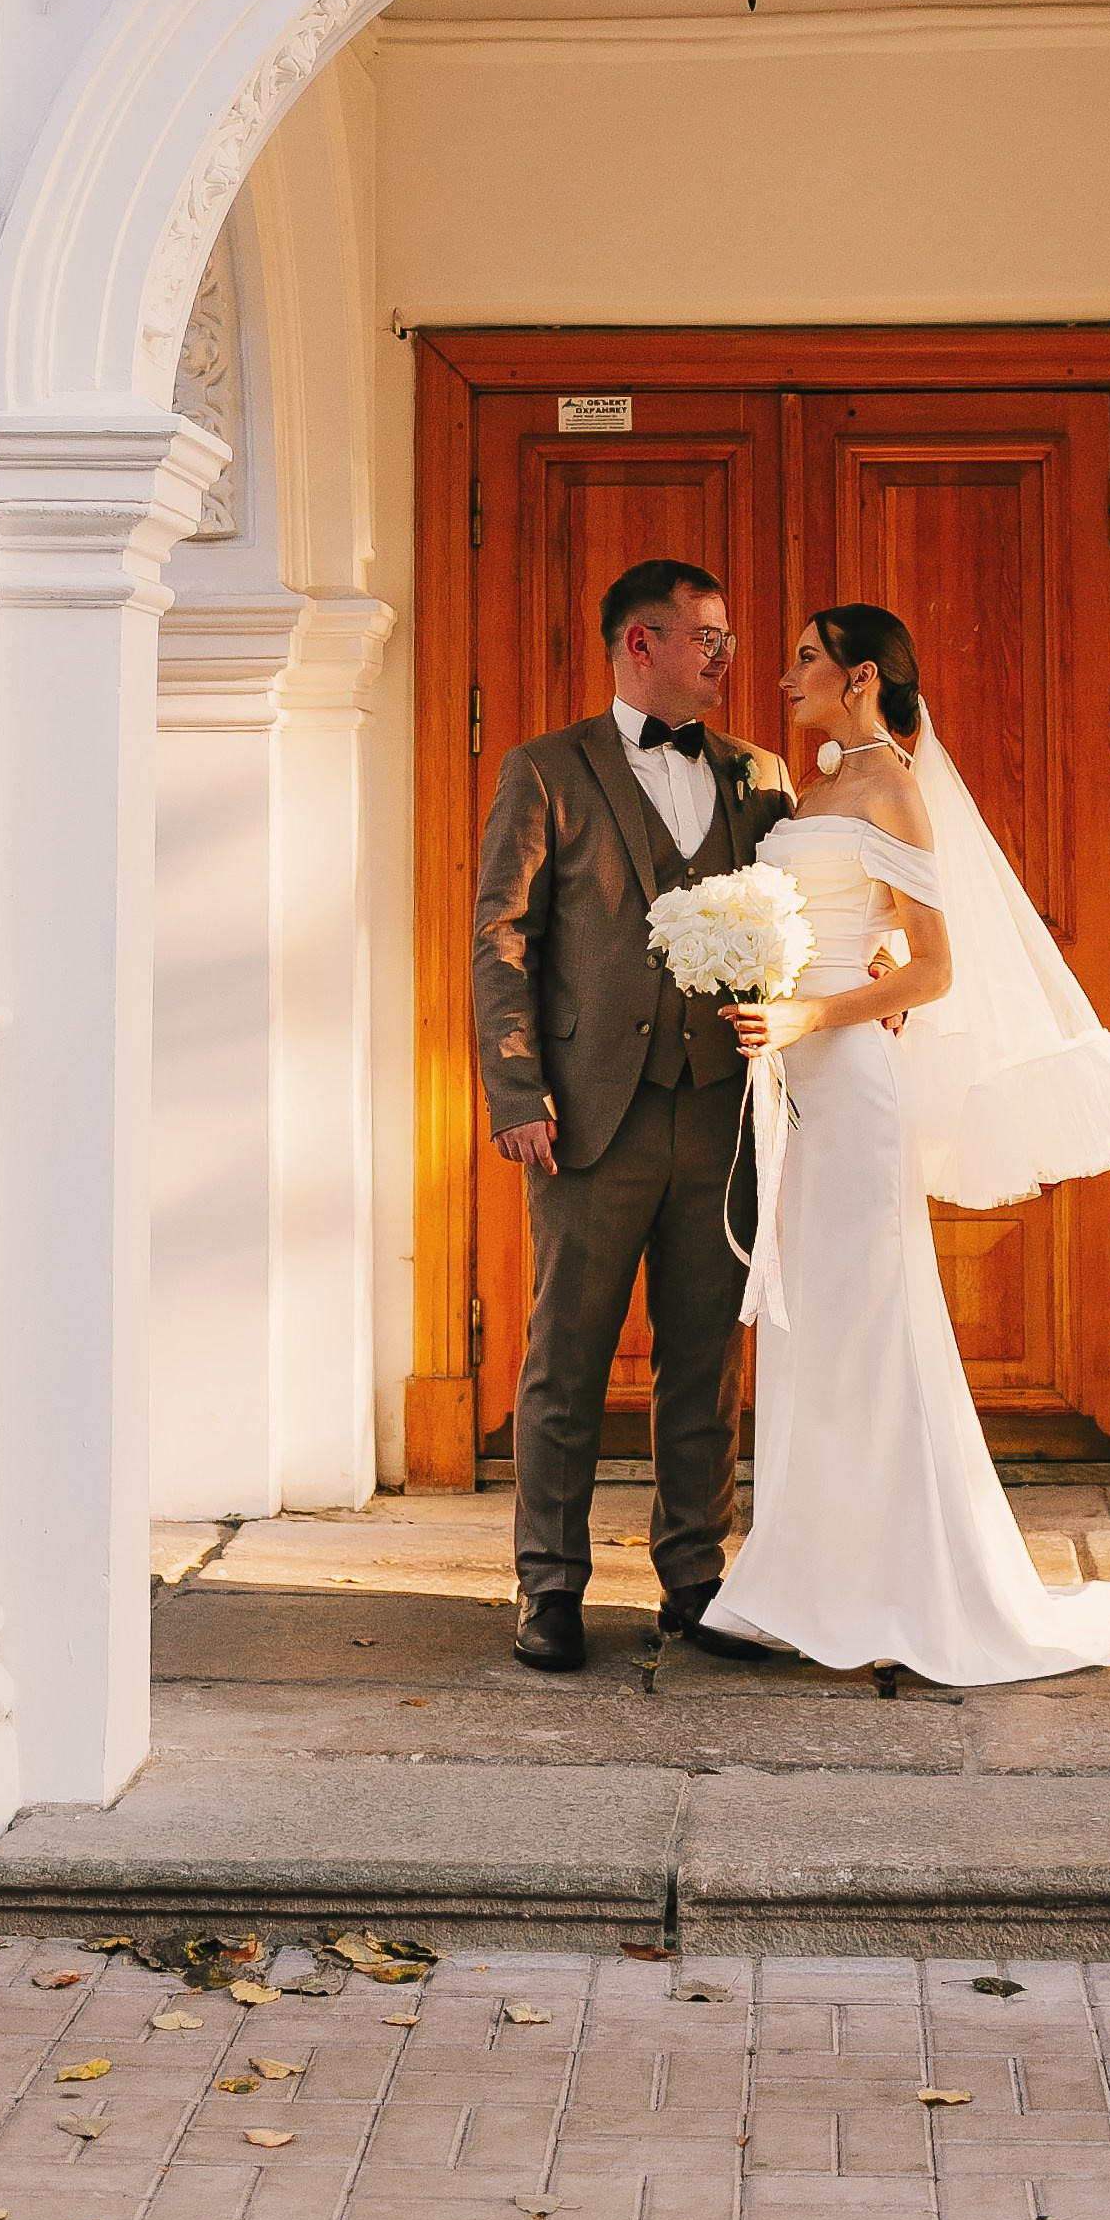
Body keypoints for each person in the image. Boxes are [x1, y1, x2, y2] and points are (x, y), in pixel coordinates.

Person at [703, 603, 1110, 1686]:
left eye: (804, 660)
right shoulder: (816, 784)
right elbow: (857, 922)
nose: (783, 677)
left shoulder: (892, 789)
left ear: (860, 676)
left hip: (844, 1077)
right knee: (805, 1323)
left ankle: (907, 1582)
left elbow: (932, 972)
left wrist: (807, 1015)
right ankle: (801, 1579)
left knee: (868, 1320)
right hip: (790, 1076)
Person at [472, 557, 792, 1672]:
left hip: (721, 1109)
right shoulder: (543, 771)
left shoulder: (759, 776)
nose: (723, 657)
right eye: (703, 637)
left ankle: (693, 1577)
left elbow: (812, 914)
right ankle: (548, 1585)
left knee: (703, 1359)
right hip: (585, 1116)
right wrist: (517, 1092)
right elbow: (500, 942)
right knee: (566, 1355)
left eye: (727, 639)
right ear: (636, 644)